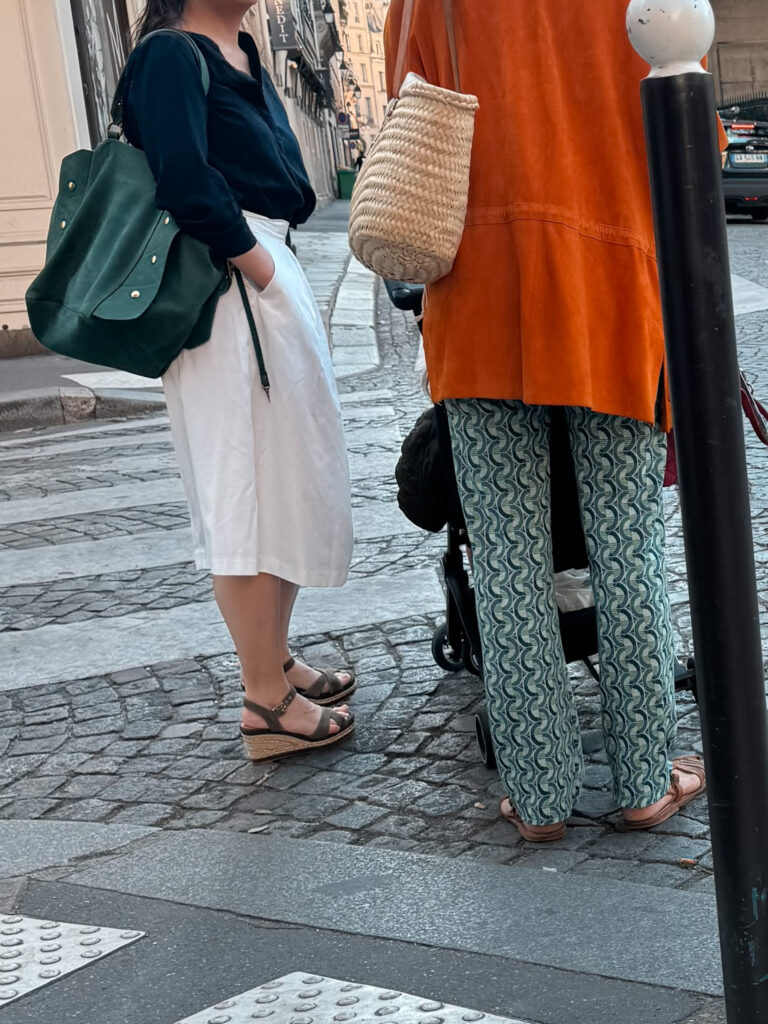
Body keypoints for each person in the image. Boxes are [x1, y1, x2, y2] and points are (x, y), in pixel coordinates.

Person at [385, 0, 706, 841]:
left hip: (479, 286)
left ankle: (537, 796)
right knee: (628, 543)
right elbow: (687, 131)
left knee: (505, 556)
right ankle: (642, 778)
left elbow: (407, 105)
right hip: (612, 282)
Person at [122, 0, 355, 763]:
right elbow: (183, 180)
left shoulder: (243, 47)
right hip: (228, 283)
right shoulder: (170, 54)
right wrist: (256, 268)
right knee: (244, 485)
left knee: (287, 475)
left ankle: (274, 657)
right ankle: (263, 697)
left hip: (264, 267)